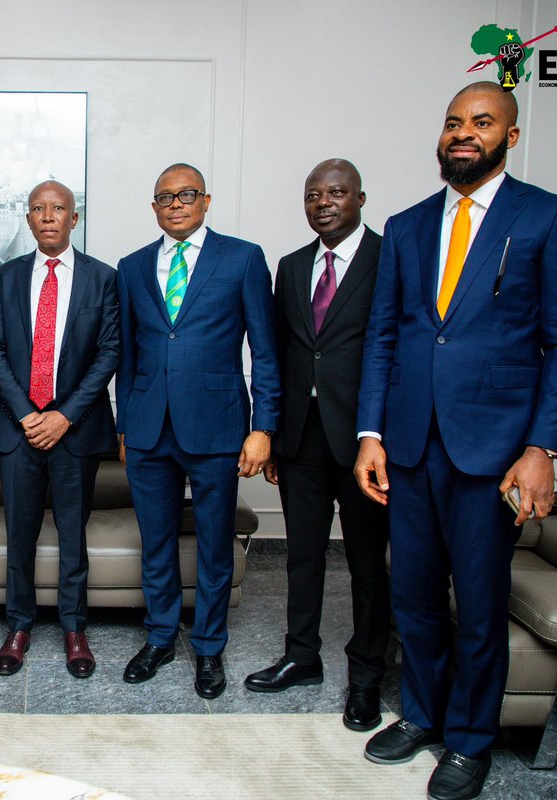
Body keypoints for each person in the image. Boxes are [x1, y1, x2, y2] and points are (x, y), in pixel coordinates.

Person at [355, 83, 557, 800]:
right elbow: (385, 338)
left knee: (479, 605)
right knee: (415, 595)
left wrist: (542, 446)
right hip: (409, 445)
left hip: (494, 450)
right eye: (454, 122)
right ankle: (422, 715)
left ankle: (468, 739)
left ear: (509, 137)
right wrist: (371, 432)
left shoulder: (548, 218)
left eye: (482, 123)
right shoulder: (406, 225)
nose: (464, 133)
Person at [116, 163, 281, 699]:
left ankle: (209, 648)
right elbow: (128, 355)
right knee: (156, 542)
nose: (176, 204)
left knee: (214, 545)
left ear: (206, 201)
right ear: (154, 207)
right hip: (147, 427)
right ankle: (161, 636)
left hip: (217, 425)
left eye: (186, 194)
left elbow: (265, 349)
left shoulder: (242, 258)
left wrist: (264, 427)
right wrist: (125, 424)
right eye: (165, 197)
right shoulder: (133, 266)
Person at [244, 160, 391, 734]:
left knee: (364, 564)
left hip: (363, 442)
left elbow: (391, 349)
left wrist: (376, 434)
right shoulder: (292, 266)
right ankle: (302, 657)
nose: (323, 202)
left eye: (335, 193)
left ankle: (366, 676)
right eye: (313, 194)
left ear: (360, 197)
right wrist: (276, 435)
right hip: (301, 438)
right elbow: (279, 352)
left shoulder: (388, 259)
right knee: (303, 556)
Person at [0, 180, 119, 678]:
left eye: (58, 208)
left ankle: (73, 628)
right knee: (19, 535)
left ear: (74, 218)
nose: (47, 216)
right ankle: (18, 626)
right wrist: (26, 414)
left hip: (75, 430)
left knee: (71, 537)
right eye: (38, 208)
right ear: (28, 218)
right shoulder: (8, 276)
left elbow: (109, 353)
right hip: (19, 430)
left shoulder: (102, 278)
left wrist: (63, 416)